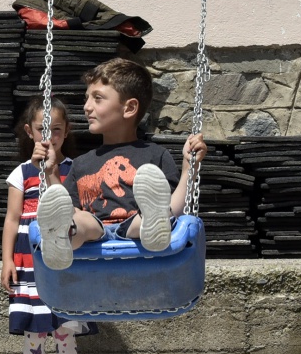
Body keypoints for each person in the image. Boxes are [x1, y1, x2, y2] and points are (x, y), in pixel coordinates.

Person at [36, 58, 207, 271]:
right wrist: (52, 171)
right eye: (86, 98)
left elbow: (174, 209)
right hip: (94, 235)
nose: (86, 107)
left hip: (134, 231)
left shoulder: (155, 156)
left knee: (150, 218)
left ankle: (152, 222)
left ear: (129, 108)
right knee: (80, 221)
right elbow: (69, 208)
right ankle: (60, 236)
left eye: (97, 98)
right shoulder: (81, 164)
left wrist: (190, 169)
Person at [0, 97, 95, 354]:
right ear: (29, 131)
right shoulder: (21, 173)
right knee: (33, 336)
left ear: (66, 131)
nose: (49, 136)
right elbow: (12, 220)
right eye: (42, 129)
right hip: (29, 264)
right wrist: (7, 259)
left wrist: (53, 171)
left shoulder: (75, 170)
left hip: (63, 264)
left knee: (64, 333)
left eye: (56, 130)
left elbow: (72, 210)